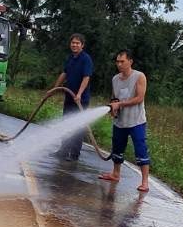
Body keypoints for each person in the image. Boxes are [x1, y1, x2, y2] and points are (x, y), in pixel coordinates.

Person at [100, 50, 151, 192]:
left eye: (122, 61)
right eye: (117, 61)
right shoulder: (115, 79)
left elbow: (139, 98)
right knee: (117, 148)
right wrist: (113, 108)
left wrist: (120, 105)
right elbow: (114, 97)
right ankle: (115, 174)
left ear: (130, 61)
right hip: (120, 121)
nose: (119, 64)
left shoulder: (139, 77)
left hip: (136, 121)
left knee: (141, 149)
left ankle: (145, 182)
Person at [55, 33, 93, 160]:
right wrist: (55, 88)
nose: (74, 45)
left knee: (77, 126)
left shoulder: (86, 59)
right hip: (69, 97)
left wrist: (79, 94)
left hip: (80, 100)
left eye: (77, 43)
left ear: (82, 45)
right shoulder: (70, 58)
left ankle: (74, 154)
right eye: (73, 42)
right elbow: (64, 73)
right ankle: (63, 151)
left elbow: (86, 77)